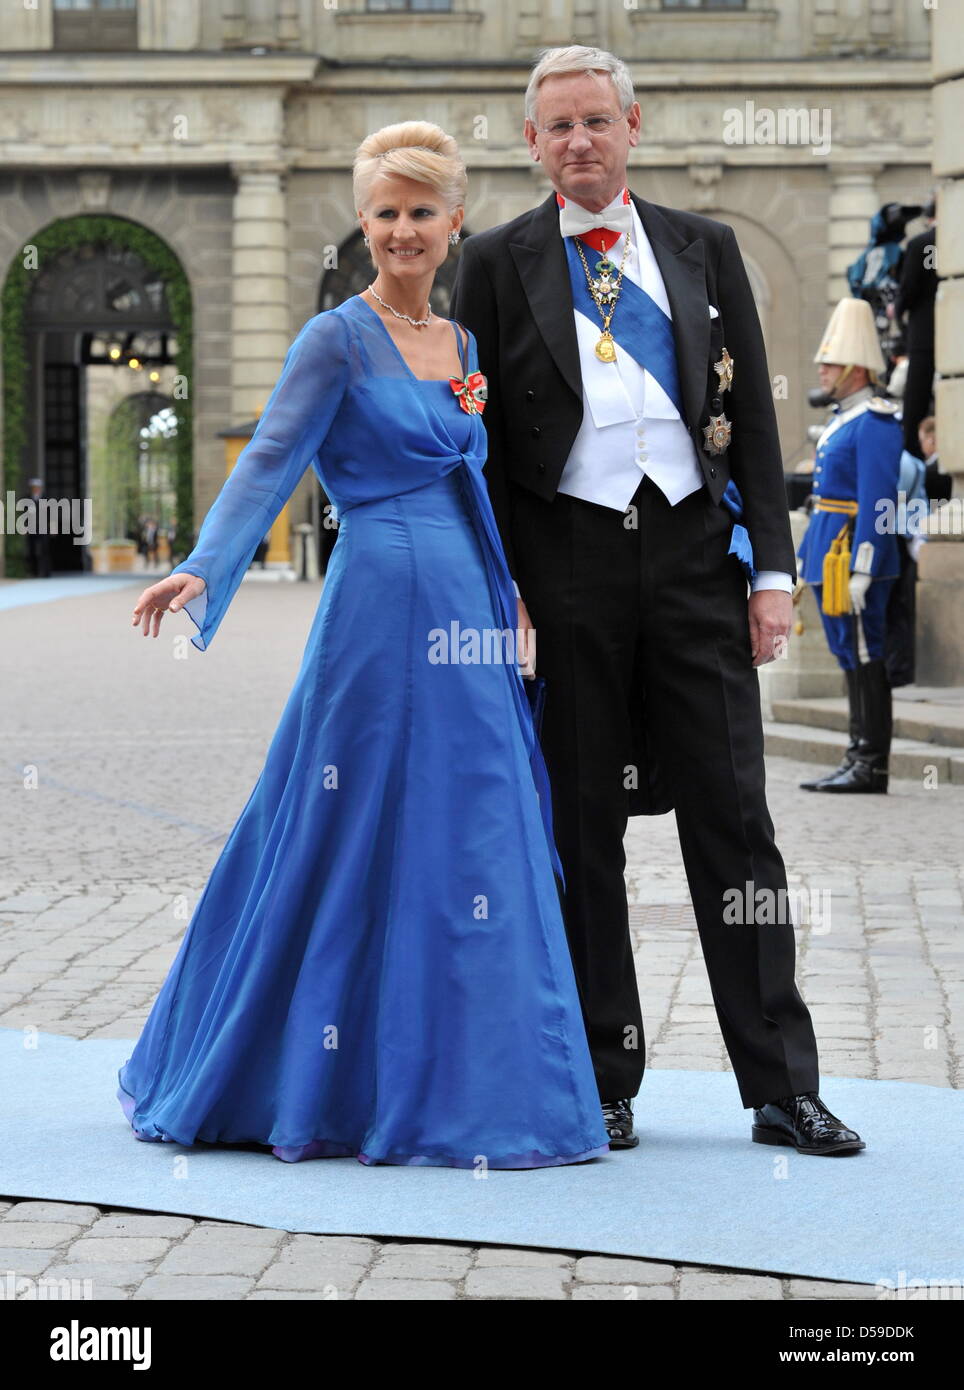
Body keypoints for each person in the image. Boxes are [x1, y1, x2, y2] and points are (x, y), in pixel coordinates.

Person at [116, 120, 611, 1171]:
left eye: (419, 212)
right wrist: (205, 565)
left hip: (470, 609)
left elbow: (476, 481)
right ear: (363, 220)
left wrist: (513, 589)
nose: (400, 231)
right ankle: (304, 1071)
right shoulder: (333, 339)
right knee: (344, 821)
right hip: (379, 609)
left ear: (453, 221)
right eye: (383, 212)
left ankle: (480, 1084)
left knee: (474, 824)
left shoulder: (465, 346)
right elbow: (269, 462)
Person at [450, 45, 864, 1156]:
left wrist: (773, 575)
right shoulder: (490, 261)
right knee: (581, 830)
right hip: (568, 567)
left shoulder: (705, 247)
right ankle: (601, 1073)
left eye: (597, 120)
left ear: (633, 125)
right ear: (531, 144)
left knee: (736, 827)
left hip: (693, 561)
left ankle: (782, 1083)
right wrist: (503, 595)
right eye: (558, 127)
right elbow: (477, 445)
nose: (579, 140)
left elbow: (763, 429)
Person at [797, 297, 903, 794]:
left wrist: (864, 566)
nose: (821, 369)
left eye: (831, 363)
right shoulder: (843, 420)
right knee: (847, 655)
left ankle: (871, 762)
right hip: (828, 554)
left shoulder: (877, 422)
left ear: (856, 370)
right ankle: (855, 753)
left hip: (854, 559)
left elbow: (878, 500)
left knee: (865, 654)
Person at [893, 198, 938, 460]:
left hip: (924, 338)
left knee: (916, 403)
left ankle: (911, 456)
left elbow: (907, 292)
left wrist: (897, 312)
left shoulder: (920, 244)